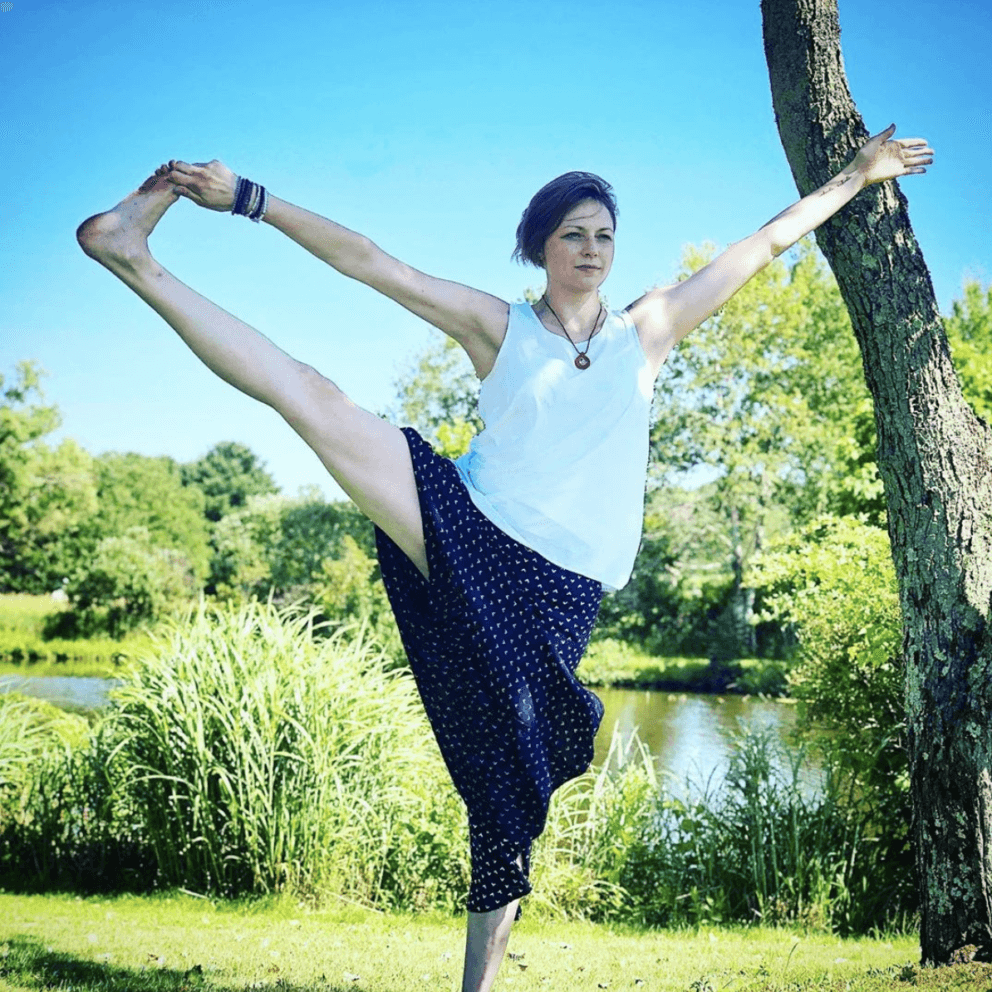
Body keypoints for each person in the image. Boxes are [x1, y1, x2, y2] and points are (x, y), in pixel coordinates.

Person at [76, 124, 932, 992]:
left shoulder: (650, 331)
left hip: (560, 593)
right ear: (541, 245)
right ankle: (131, 253)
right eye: (574, 234)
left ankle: (476, 987)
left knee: (513, 783)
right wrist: (251, 198)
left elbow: (767, 241)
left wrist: (856, 177)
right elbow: (375, 264)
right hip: (470, 527)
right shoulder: (499, 326)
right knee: (313, 397)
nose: (592, 249)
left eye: (604, 235)